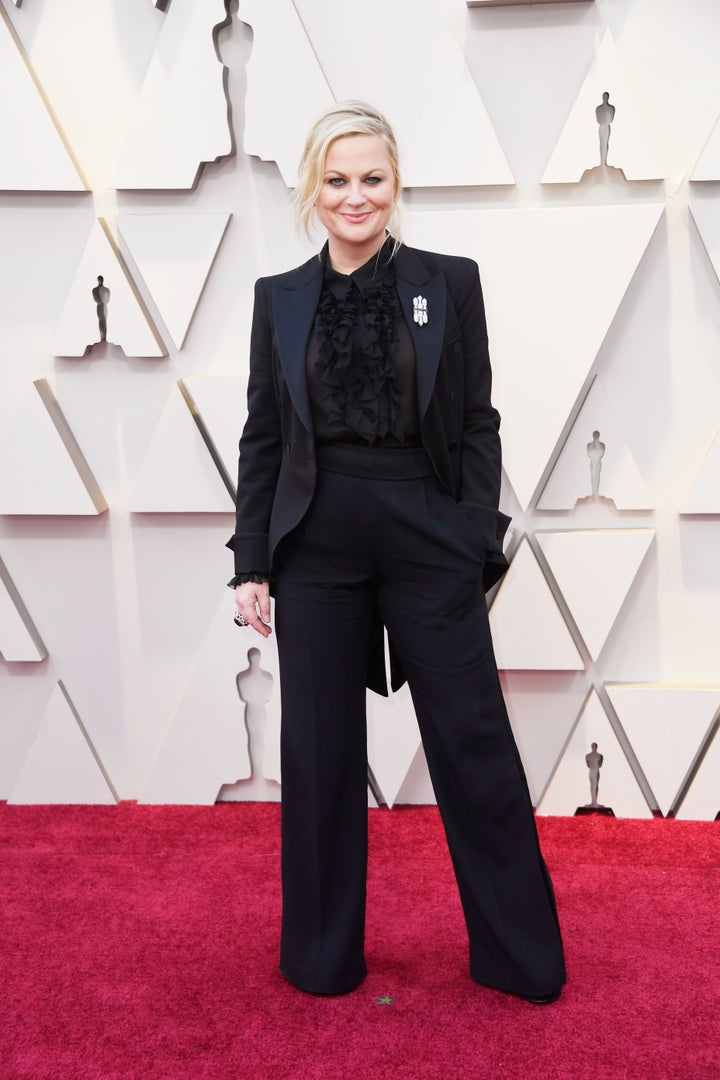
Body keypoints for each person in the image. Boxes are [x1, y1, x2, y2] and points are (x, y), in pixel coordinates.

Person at [228, 101, 566, 1004]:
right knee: (319, 755)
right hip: (316, 546)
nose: (355, 195)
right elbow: (264, 437)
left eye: (371, 178)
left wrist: (468, 533)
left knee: (473, 740)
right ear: (312, 188)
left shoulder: (449, 282)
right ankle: (322, 959)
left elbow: (476, 418)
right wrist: (251, 560)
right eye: (337, 179)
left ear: (396, 184)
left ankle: (519, 958)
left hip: (426, 530)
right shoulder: (280, 298)